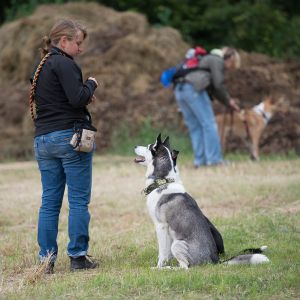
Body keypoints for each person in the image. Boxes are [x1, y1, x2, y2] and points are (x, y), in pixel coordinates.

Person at [30, 19, 99, 273]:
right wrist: (91, 84)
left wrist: (80, 94)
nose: (80, 49)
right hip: (69, 139)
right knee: (79, 201)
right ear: (64, 41)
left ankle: (46, 262)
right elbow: (76, 98)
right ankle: (78, 258)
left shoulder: (42, 66)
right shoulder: (65, 63)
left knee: (49, 202)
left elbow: (55, 99)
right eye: (78, 43)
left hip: (43, 140)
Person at [174, 47, 241, 168]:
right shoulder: (217, 60)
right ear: (230, 58)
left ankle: (200, 161)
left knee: (195, 127)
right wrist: (228, 101)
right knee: (209, 124)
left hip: (180, 90)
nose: (228, 69)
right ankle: (214, 160)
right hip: (193, 90)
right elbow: (218, 84)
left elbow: (214, 87)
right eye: (231, 65)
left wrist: (227, 102)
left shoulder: (204, 59)